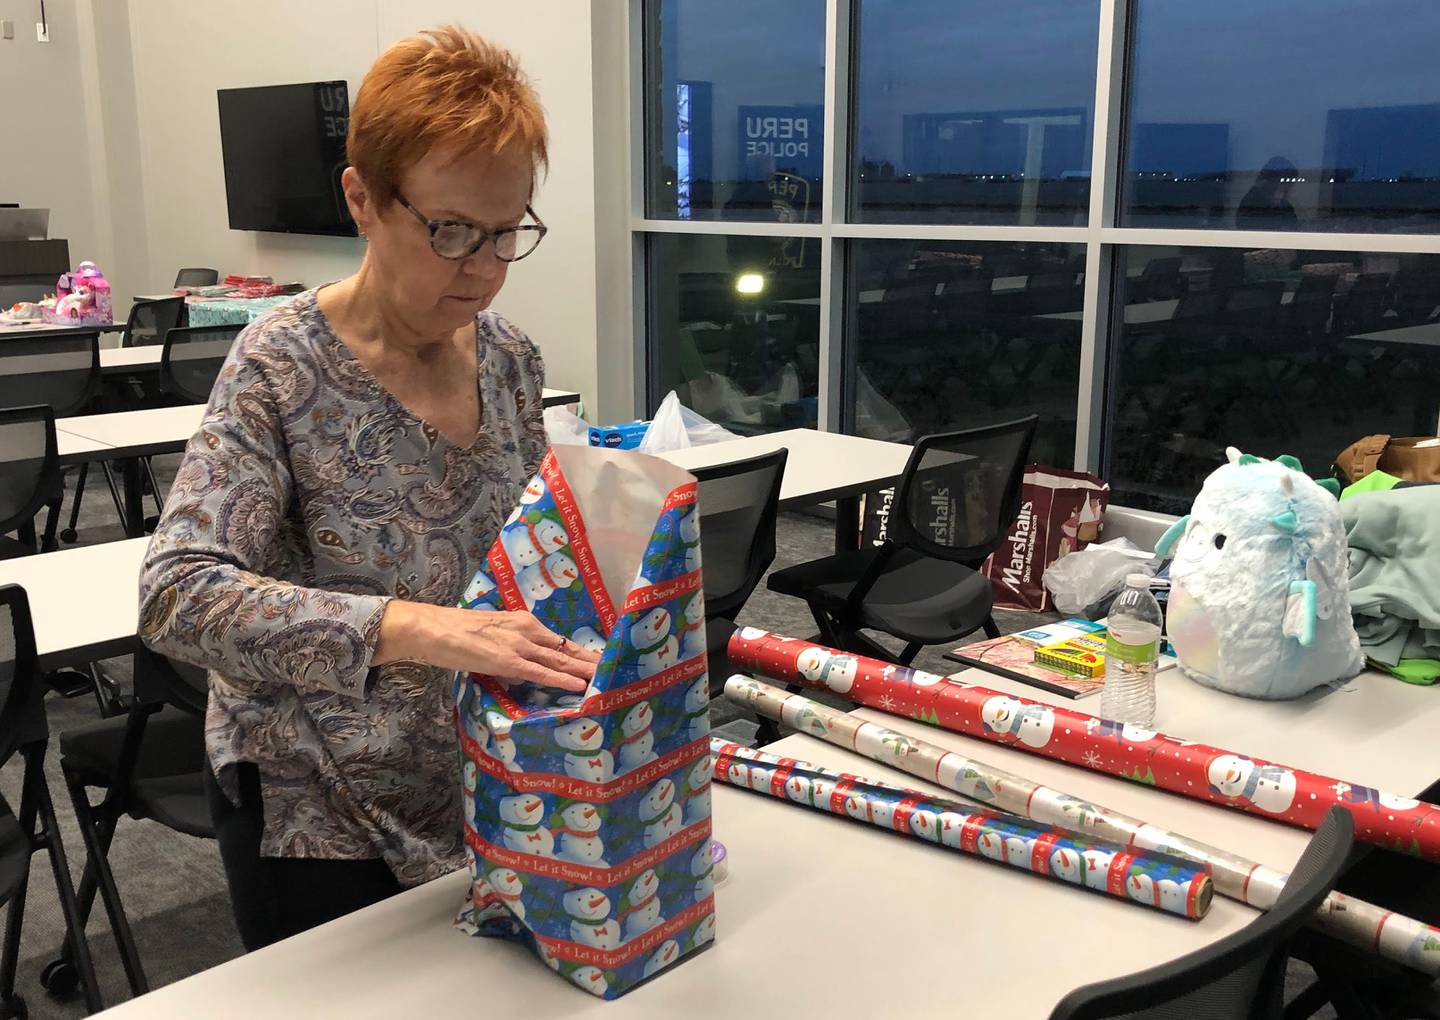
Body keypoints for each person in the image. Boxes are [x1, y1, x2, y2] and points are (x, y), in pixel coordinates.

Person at [137, 26, 598, 951]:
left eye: (509, 232)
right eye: (452, 230)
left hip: (478, 771)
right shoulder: (281, 366)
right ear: (362, 199)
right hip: (315, 806)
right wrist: (419, 629)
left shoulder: (509, 359)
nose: (484, 268)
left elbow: (525, 553)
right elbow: (177, 592)